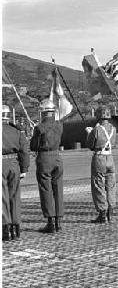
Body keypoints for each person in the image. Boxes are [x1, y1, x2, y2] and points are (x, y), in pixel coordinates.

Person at [30, 99, 64, 233]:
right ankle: (59, 220)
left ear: (43, 113)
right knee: (58, 189)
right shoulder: (59, 125)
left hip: (44, 158)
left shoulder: (39, 127)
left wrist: (35, 134)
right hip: (57, 157)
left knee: (46, 189)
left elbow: (33, 146)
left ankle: (50, 222)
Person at [2, 105, 29, 241]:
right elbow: (24, 150)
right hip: (14, 164)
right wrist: (24, 169)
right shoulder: (17, 131)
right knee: (14, 195)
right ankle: (16, 227)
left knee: (2, 197)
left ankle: (5, 228)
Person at [86, 106, 116, 223]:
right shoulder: (113, 129)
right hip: (110, 157)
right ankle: (110, 211)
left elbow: (90, 145)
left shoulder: (97, 130)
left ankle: (102, 213)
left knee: (98, 185)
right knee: (110, 185)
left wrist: (89, 133)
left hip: (99, 157)